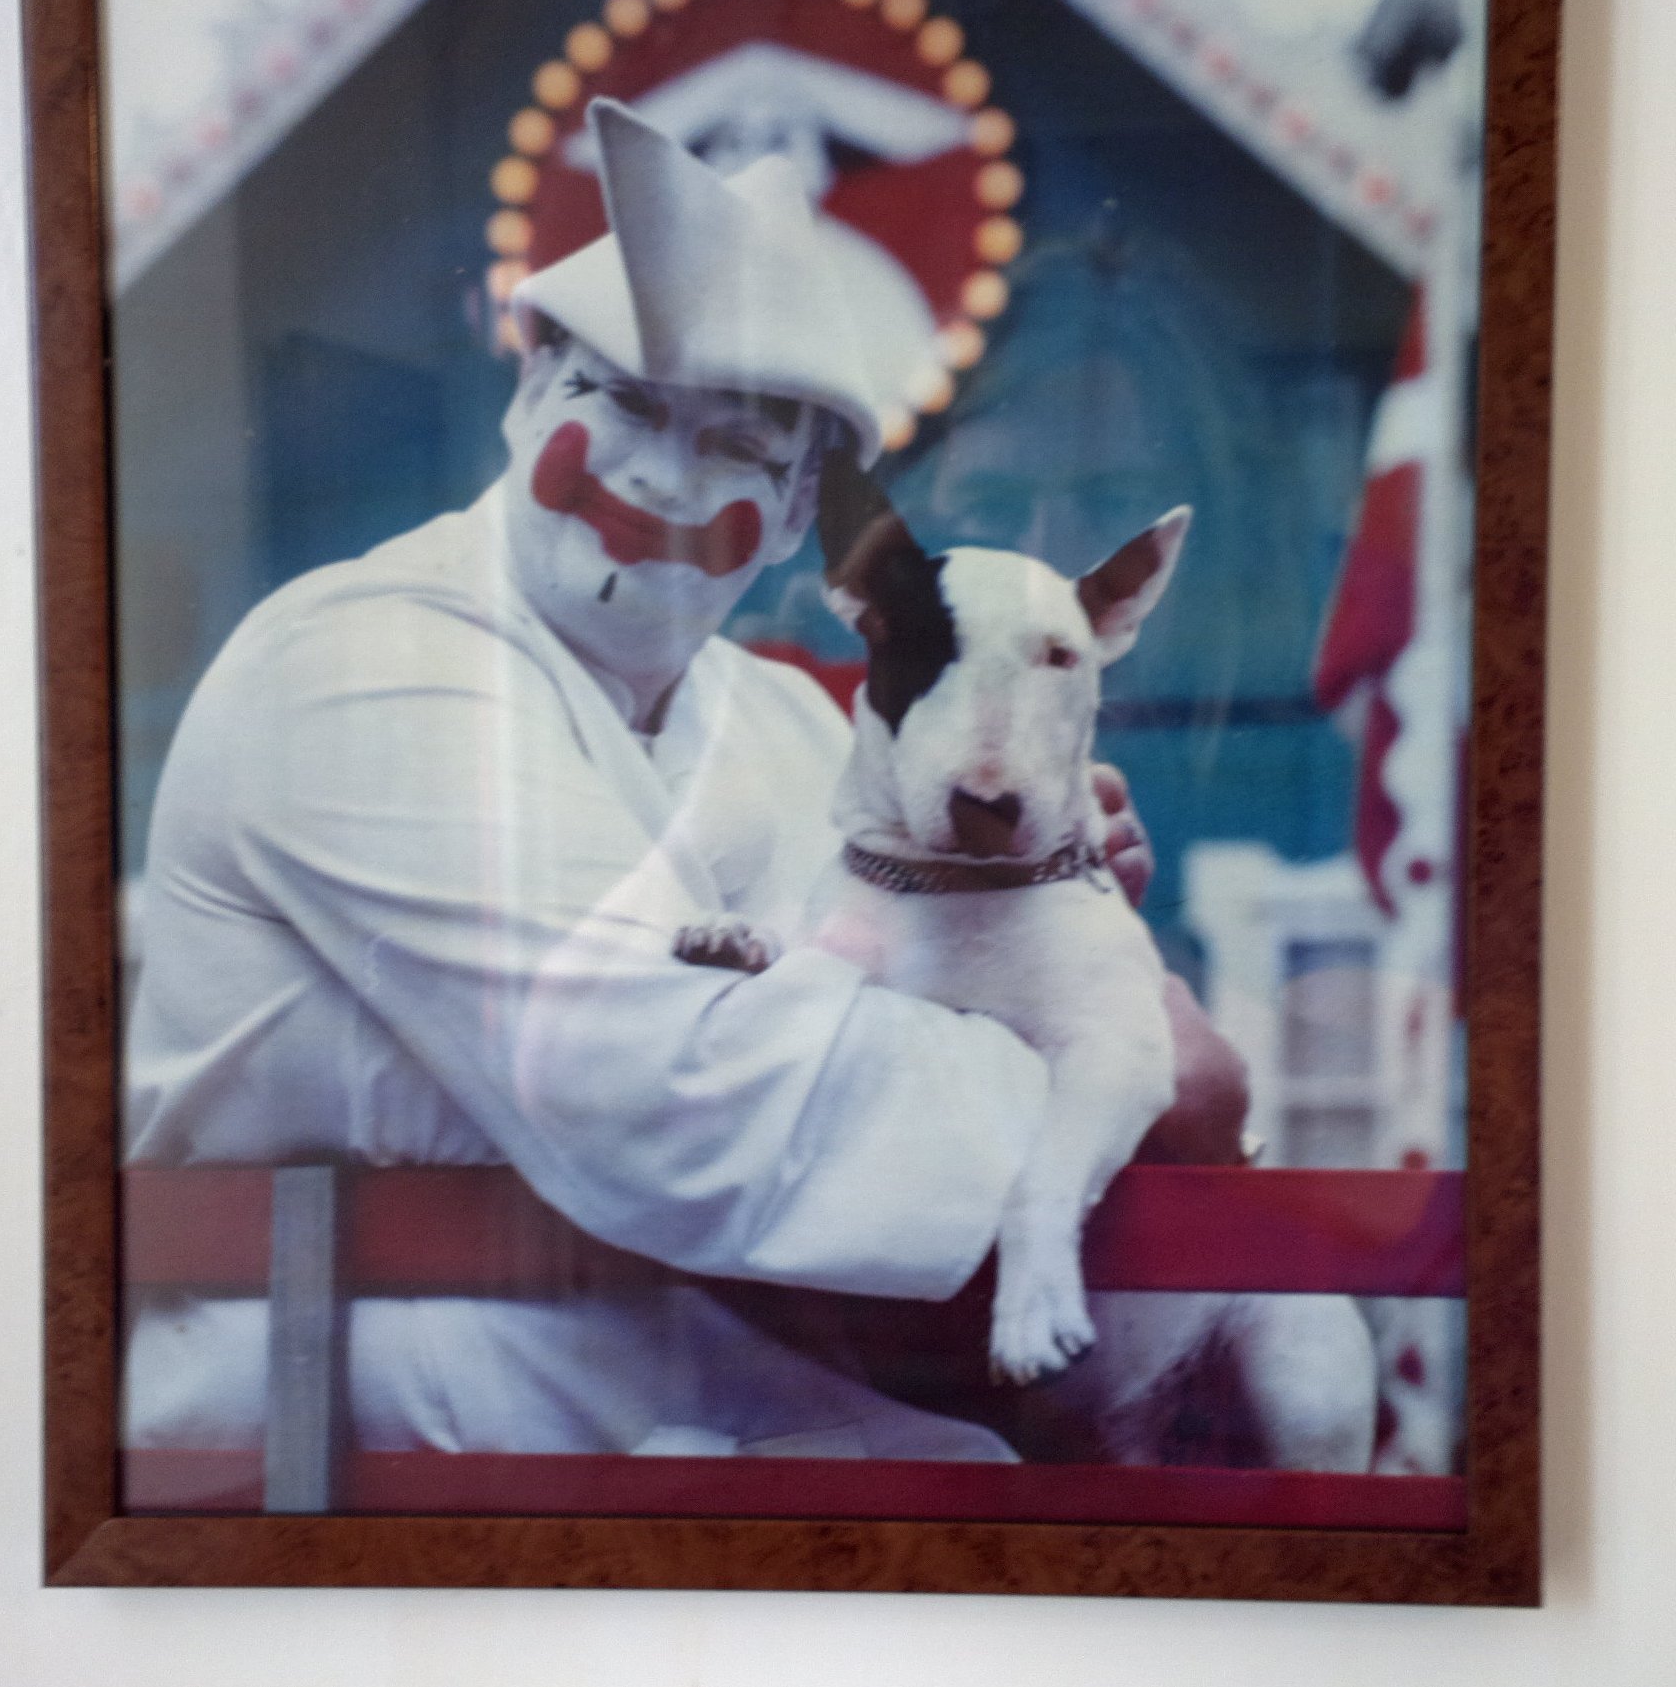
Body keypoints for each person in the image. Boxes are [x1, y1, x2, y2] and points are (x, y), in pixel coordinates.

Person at [124, 99, 1245, 1464]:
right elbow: (680, 1093)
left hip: (651, 1360)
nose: (661, 476)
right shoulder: (361, 663)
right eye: (625, 405)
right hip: (332, 1398)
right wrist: (1134, 1074)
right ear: (526, 396)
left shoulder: (774, 718)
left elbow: (887, 1005)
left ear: (796, 519)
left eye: (737, 449)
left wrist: (1033, 901)